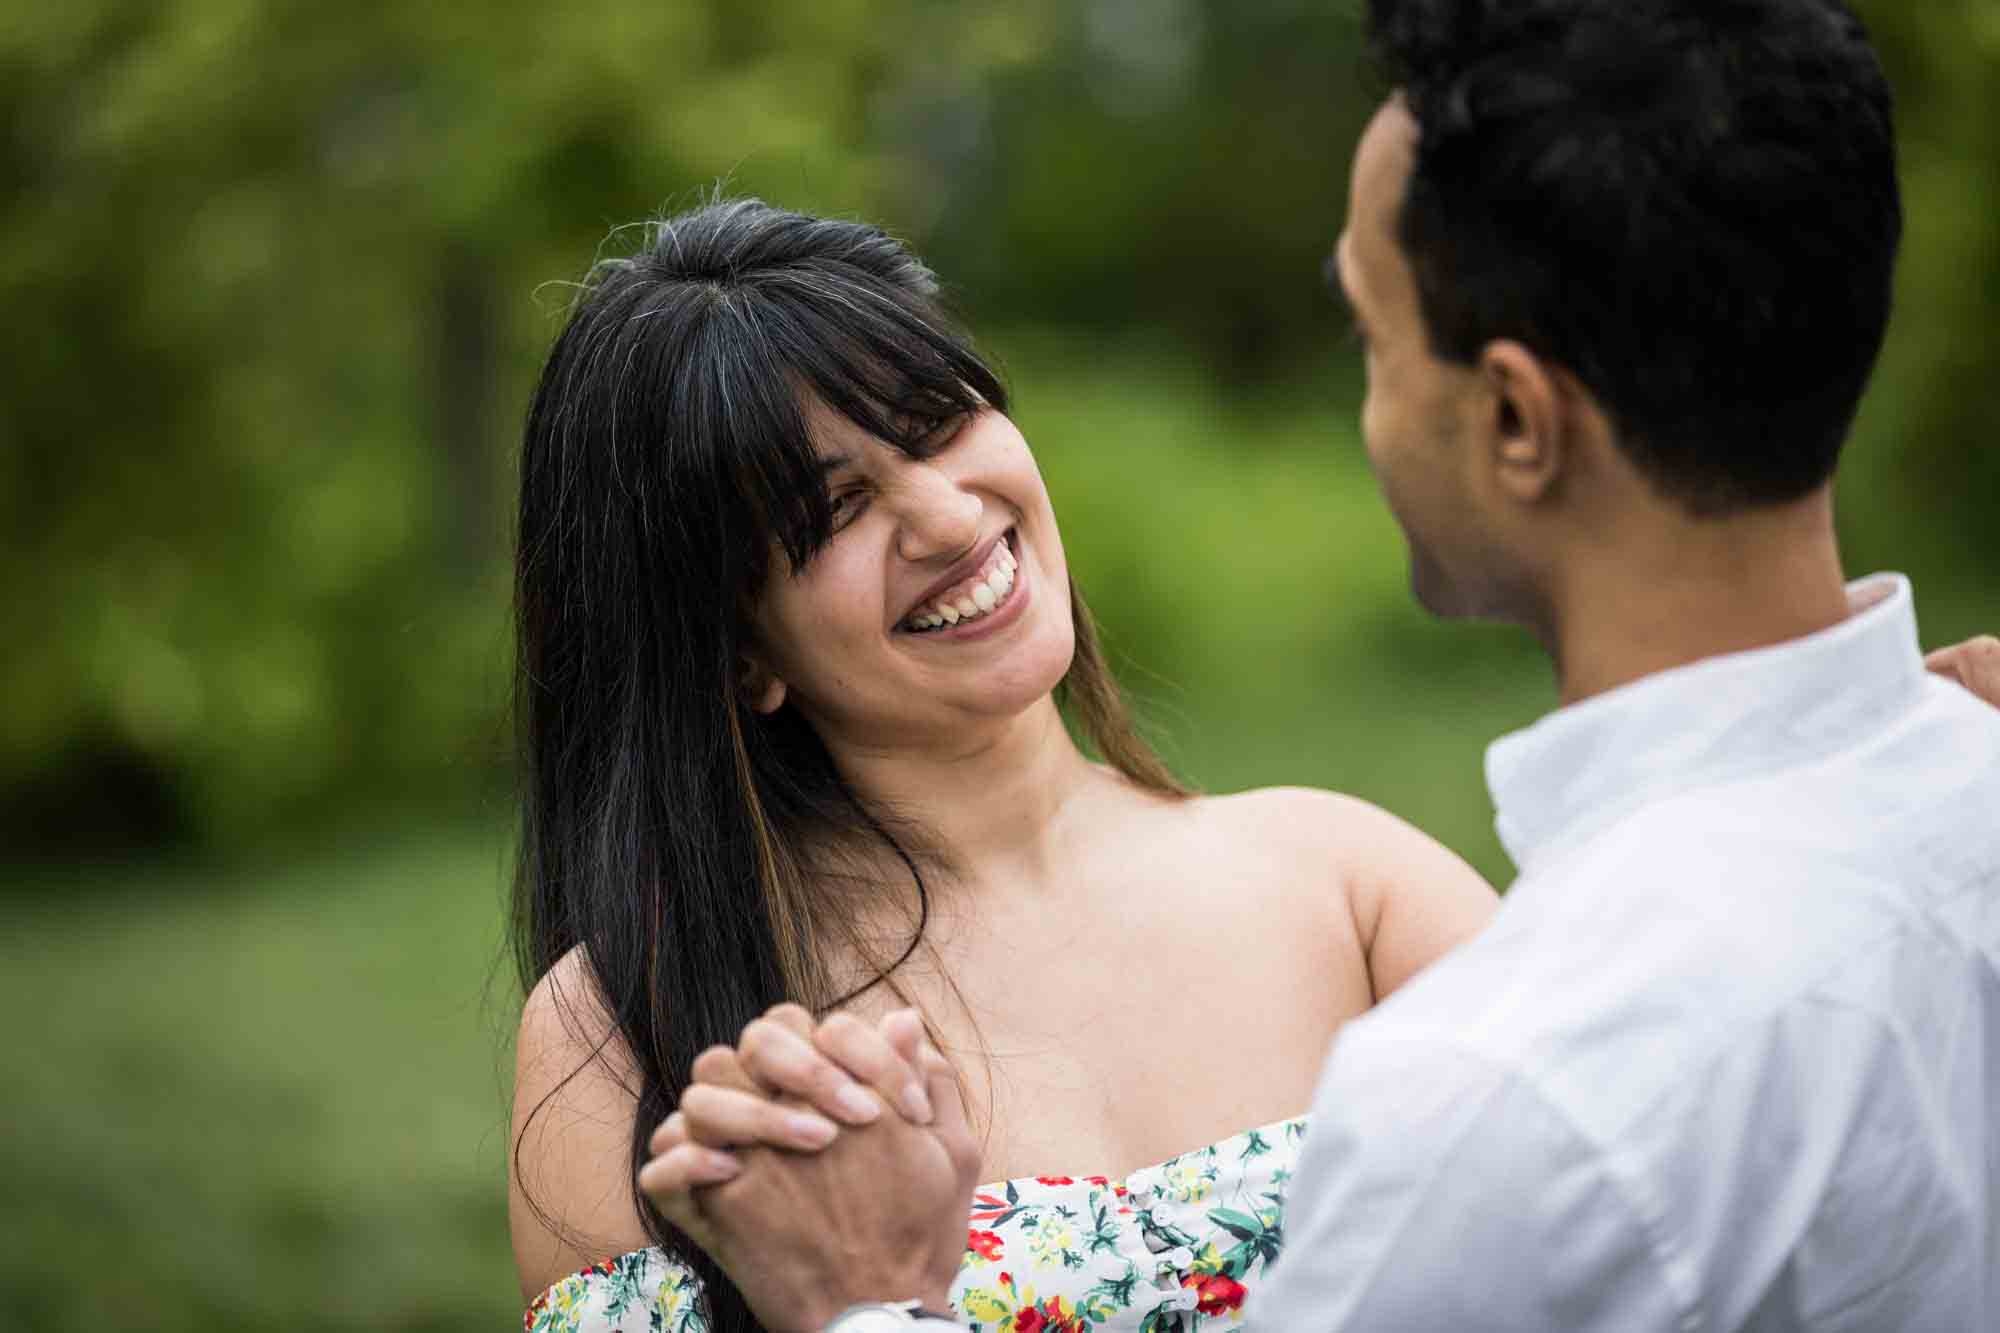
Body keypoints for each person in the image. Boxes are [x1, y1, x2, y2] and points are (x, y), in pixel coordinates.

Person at [637, 1, 2000, 1329]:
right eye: (834, 508)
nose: (938, 514)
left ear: (1517, 420)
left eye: (1372, 334)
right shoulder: (1960, 801)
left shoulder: (1507, 1086)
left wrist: (865, 1308)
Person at [506, 199, 1504, 1332]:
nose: (944, 515)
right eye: (835, 509)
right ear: (737, 652)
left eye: (937, 424)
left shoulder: (1352, 887)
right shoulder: (632, 1021)